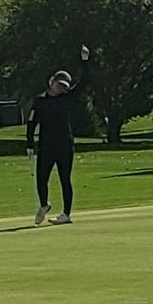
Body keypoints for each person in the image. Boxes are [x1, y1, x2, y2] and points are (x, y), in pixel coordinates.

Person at [26, 45, 90, 225]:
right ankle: (44, 205)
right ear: (51, 82)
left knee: (65, 179)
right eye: (58, 84)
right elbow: (32, 122)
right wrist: (29, 143)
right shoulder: (40, 101)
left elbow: (85, 83)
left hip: (65, 145)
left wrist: (85, 62)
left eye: (64, 86)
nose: (61, 88)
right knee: (41, 179)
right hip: (46, 146)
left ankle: (66, 214)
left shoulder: (66, 99)